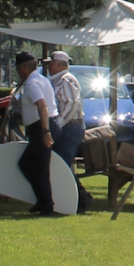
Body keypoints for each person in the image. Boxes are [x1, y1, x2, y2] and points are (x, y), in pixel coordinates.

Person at [14, 50, 59, 216]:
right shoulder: (42, 79)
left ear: (24, 67)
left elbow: (42, 105)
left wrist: (45, 131)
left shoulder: (32, 83)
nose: (18, 72)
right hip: (47, 123)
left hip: (41, 126)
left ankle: (47, 206)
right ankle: (42, 200)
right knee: (26, 164)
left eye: (18, 68)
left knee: (40, 168)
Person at [47, 50, 86, 212]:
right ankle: (77, 200)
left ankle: (80, 200)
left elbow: (72, 103)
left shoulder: (66, 80)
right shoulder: (58, 81)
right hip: (69, 127)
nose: (48, 67)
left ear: (58, 64)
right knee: (62, 165)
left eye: (51, 63)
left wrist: (60, 123)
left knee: (62, 165)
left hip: (70, 127)